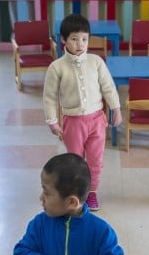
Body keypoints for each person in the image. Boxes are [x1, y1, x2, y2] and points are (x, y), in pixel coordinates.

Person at [43, 14, 122, 211]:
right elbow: (50, 97)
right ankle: (77, 193)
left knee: (96, 161)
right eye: (74, 39)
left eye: (84, 39)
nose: (80, 44)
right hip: (73, 122)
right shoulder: (57, 67)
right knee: (75, 162)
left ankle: (91, 192)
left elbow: (108, 87)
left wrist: (116, 108)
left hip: (96, 120)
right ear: (63, 40)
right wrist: (52, 121)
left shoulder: (96, 62)